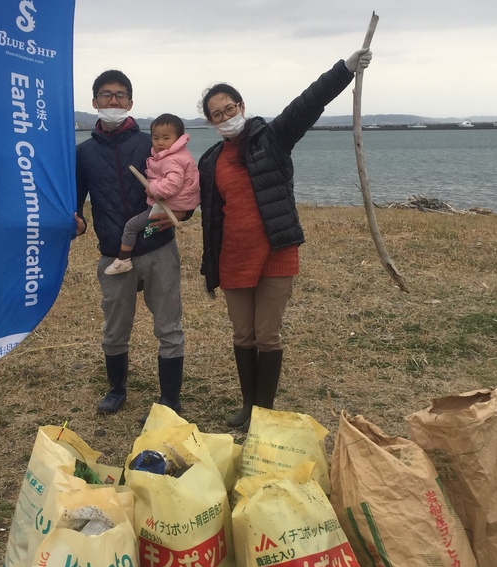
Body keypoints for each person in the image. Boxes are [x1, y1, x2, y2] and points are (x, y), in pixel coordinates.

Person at [198, 47, 373, 429]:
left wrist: (344, 69)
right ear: (210, 122)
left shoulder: (271, 138)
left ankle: (262, 413)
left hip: (275, 251)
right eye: (217, 115)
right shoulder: (210, 160)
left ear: (241, 106)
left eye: (230, 109)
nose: (226, 118)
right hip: (232, 258)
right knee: (242, 334)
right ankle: (247, 405)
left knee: (267, 336)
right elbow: (209, 214)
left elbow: (307, 103)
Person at [76, 70, 194, 416]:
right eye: (106, 95)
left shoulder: (152, 145)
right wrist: (75, 220)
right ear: (94, 101)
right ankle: (116, 390)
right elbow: (75, 200)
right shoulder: (82, 153)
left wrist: (183, 215)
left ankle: (170, 399)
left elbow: (185, 180)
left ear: (130, 102)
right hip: (115, 256)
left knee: (169, 327)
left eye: (120, 95)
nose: (113, 101)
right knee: (114, 329)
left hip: (159, 249)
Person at [104, 113, 200, 275]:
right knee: (150, 226)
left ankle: (123, 259)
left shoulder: (172, 159)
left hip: (170, 203)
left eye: (166, 138)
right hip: (176, 203)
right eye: (155, 138)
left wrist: (153, 189)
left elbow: (172, 185)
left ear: (178, 139)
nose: (160, 143)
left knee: (131, 226)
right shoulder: (175, 155)